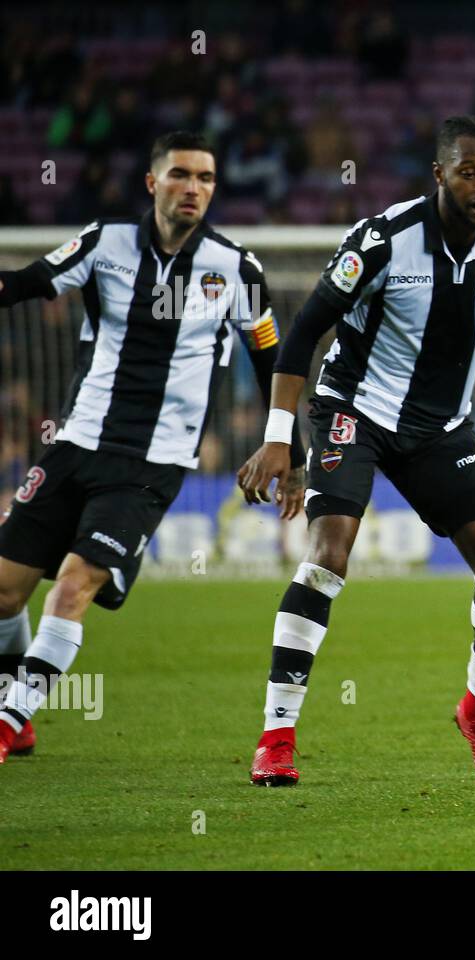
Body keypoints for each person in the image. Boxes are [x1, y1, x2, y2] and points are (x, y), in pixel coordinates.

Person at [237, 116, 475, 786]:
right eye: (469, 172)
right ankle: (277, 736)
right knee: (329, 553)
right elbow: (301, 336)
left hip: (442, 429)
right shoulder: (382, 241)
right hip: (356, 410)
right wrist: (279, 437)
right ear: (440, 175)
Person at [0, 131, 304, 762]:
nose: (194, 188)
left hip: (154, 462)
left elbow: (274, 356)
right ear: (153, 182)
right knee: (4, 590)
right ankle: (18, 713)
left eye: (207, 178)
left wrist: (288, 449)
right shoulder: (103, 242)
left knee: (75, 584)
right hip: (77, 442)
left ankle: (6, 722)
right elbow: (26, 284)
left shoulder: (234, 267)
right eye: (181, 175)